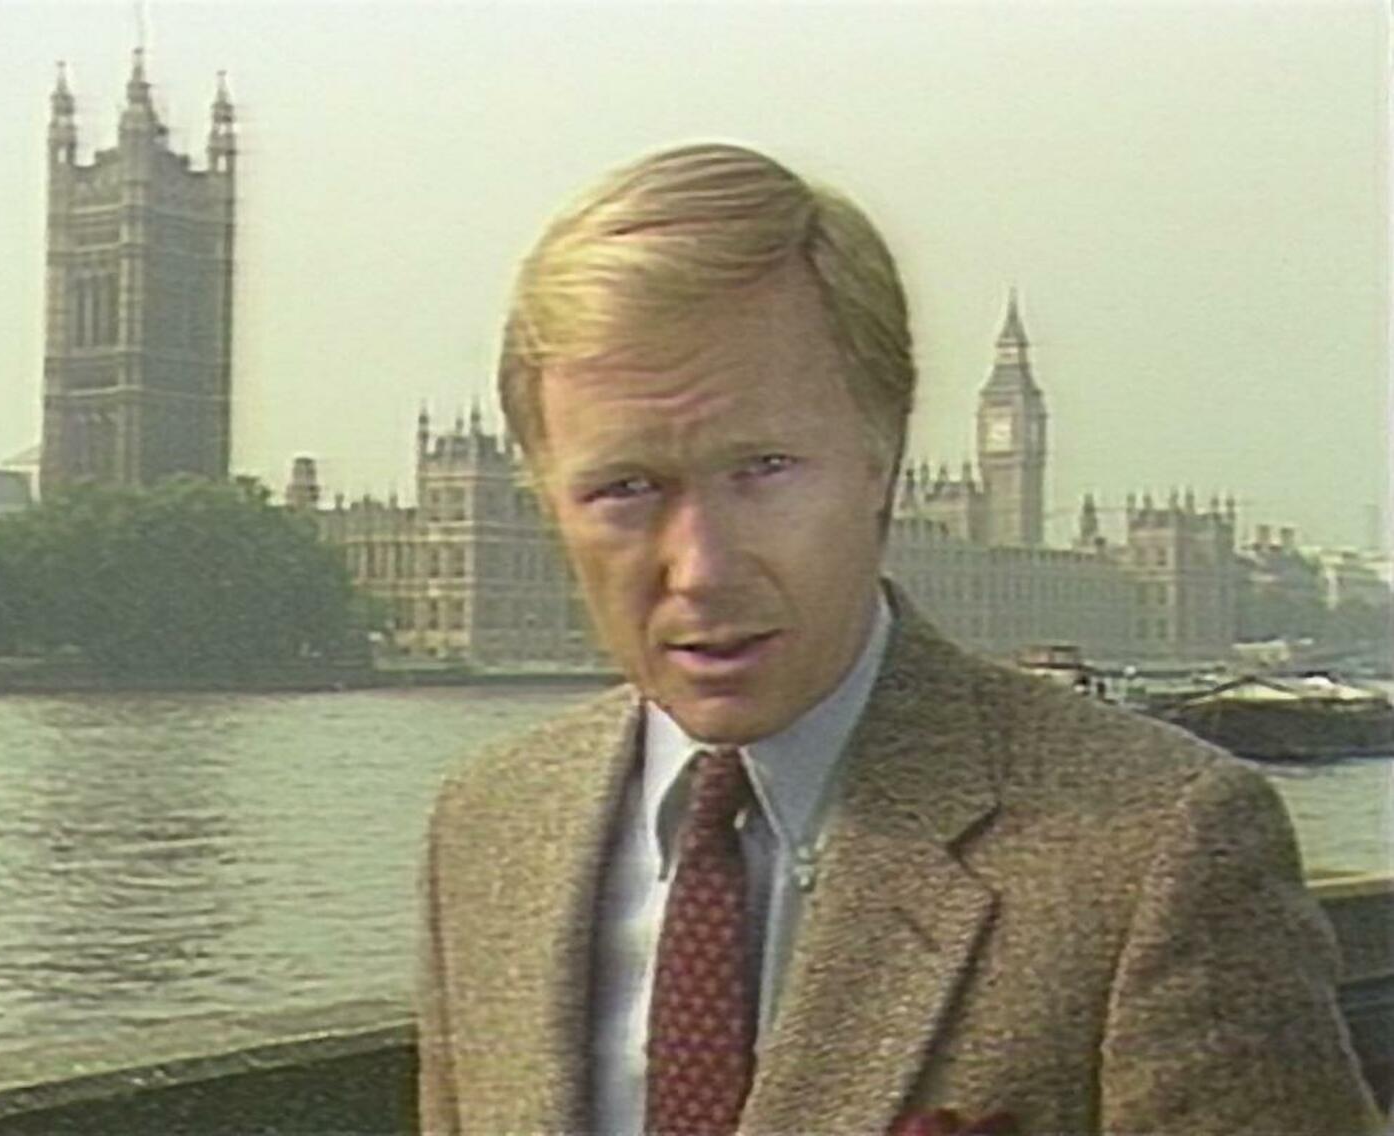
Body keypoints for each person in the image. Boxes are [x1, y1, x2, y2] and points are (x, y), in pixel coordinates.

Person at [417, 142, 1379, 1136]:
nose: (700, 565)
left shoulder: (1157, 849)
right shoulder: (489, 826)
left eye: (765, 467)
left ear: (885, 456)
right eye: (625, 488)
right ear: (544, 497)